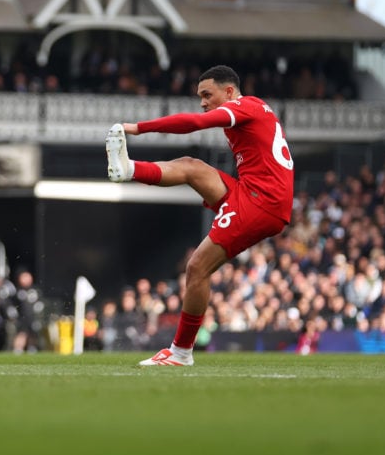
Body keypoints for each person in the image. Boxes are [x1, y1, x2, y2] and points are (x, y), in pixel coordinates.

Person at [106, 64, 294, 366]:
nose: (203, 102)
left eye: (207, 95)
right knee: (191, 166)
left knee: (196, 268)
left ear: (229, 91)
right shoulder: (255, 108)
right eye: (200, 97)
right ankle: (128, 169)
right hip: (250, 192)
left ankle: (181, 352)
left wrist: (138, 127)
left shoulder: (243, 106)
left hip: (262, 201)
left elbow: (194, 123)